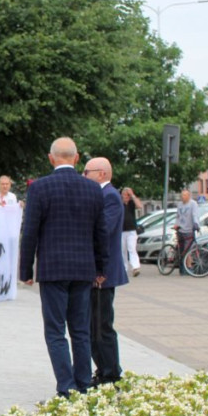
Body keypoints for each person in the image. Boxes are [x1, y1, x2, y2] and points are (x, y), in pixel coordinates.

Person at [19, 137, 108, 398]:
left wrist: (26, 271)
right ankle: (83, 383)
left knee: (56, 331)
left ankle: (66, 386)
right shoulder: (93, 189)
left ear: (51, 158)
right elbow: (100, 233)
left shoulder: (39, 188)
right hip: (84, 270)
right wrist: (101, 268)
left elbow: (30, 232)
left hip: (52, 269)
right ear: (77, 158)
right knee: (81, 330)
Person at [83, 158, 128, 386]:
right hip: (97, 272)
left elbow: (103, 231)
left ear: (101, 174)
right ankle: (105, 369)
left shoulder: (109, 196)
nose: (83, 175)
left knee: (101, 326)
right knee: (93, 325)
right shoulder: (101, 195)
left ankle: (110, 373)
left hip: (104, 273)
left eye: (86, 171)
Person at [173, 189, 201, 275]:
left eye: (184, 195)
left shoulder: (193, 204)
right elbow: (178, 216)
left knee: (187, 249)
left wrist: (196, 224)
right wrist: (176, 224)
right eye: (182, 195)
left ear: (189, 196)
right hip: (181, 229)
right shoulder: (180, 205)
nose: (182, 197)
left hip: (189, 230)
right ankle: (183, 268)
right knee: (182, 250)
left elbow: (194, 215)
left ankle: (188, 267)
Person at [121, 187, 143, 277]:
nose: (126, 197)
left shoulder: (131, 203)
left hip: (131, 230)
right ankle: (124, 268)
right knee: (123, 250)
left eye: (128, 195)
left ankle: (135, 267)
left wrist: (132, 195)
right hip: (121, 230)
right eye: (125, 195)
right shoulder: (119, 203)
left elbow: (140, 206)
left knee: (131, 248)